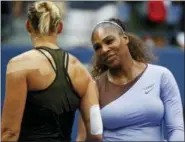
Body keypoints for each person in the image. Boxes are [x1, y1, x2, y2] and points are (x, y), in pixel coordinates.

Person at [1, 1, 103, 141]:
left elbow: (9, 133)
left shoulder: (19, 65)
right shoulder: (82, 71)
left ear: (28, 25)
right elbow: (96, 133)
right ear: (60, 27)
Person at [76, 18, 184, 141]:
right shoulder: (94, 87)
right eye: (98, 47)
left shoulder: (161, 75)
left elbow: (176, 129)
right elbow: (83, 137)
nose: (104, 49)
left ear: (125, 39)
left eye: (109, 41)